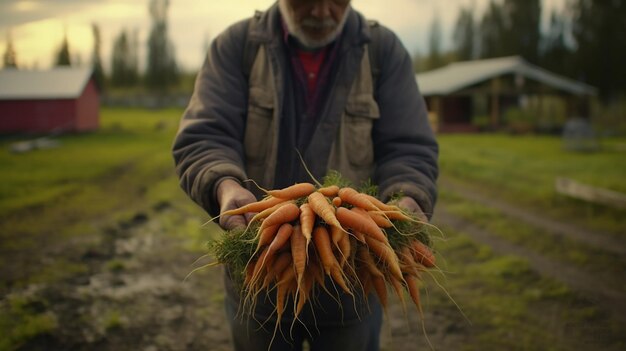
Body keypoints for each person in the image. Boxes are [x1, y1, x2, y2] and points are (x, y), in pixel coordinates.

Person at [172, 0, 438, 350]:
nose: (323, 12)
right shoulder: (237, 47)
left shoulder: (382, 52)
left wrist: (408, 196)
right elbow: (205, 137)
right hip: (262, 271)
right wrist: (225, 187)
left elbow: (409, 147)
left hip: (352, 276)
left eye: (336, 1)